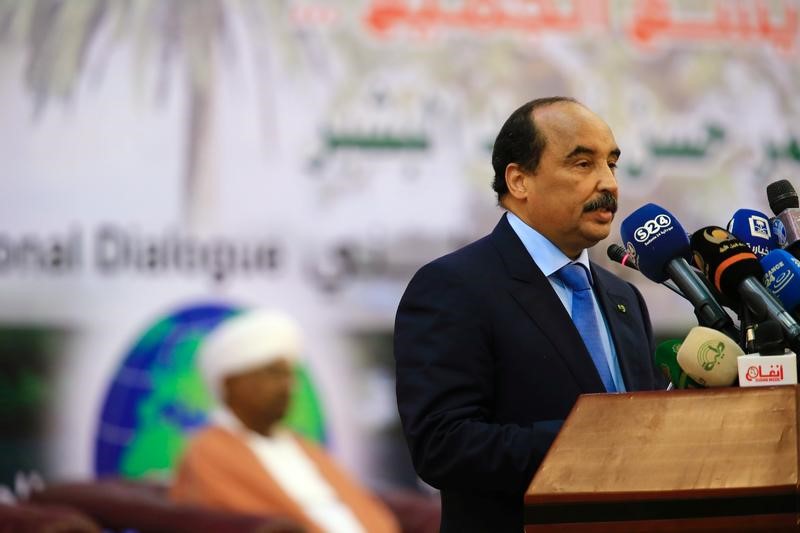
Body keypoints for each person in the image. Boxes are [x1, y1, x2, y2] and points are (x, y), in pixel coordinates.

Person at [394, 97, 666, 533]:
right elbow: (442, 446)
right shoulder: (455, 286)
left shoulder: (622, 297)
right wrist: (594, 442)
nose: (609, 184)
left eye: (612, 164)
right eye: (582, 164)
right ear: (519, 180)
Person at [170, 310, 400, 533]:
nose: (288, 386)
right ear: (231, 384)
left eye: (290, 375)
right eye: (274, 373)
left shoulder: (302, 446)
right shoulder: (209, 451)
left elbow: (368, 513)